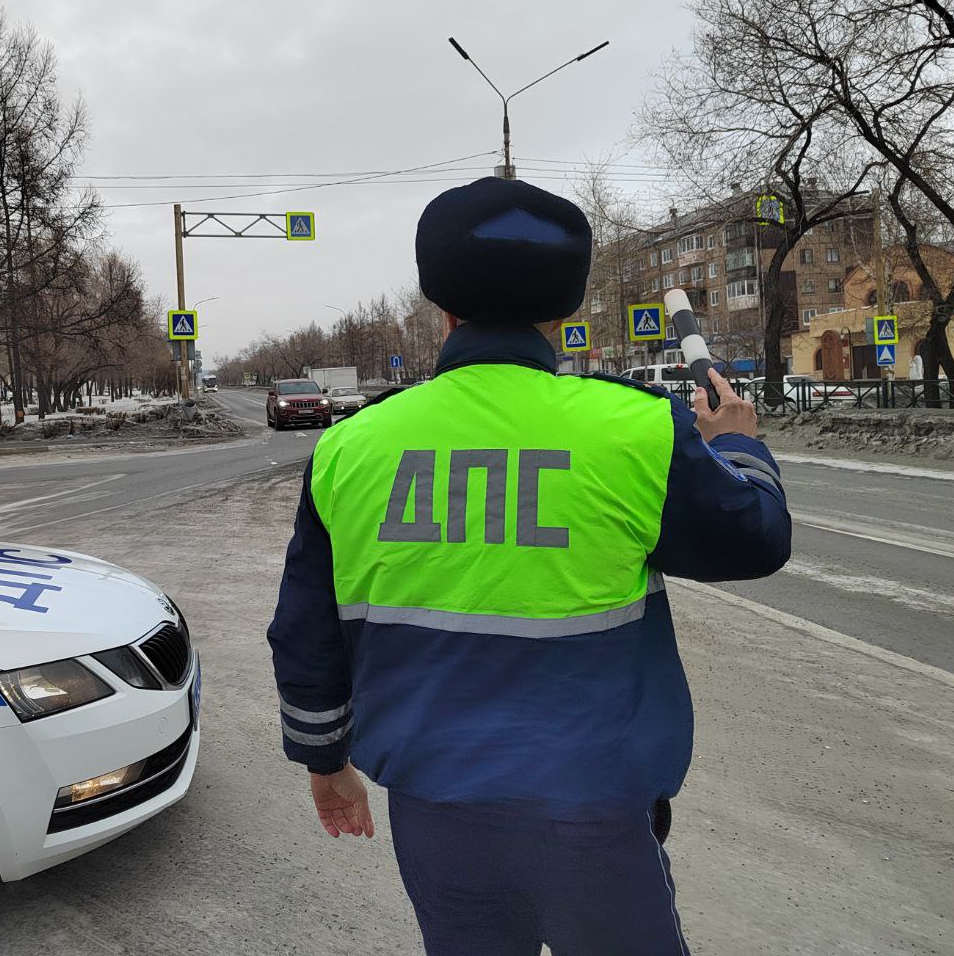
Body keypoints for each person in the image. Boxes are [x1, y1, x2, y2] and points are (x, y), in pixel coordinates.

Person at [266, 177, 792, 955]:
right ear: (563, 313)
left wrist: (324, 760)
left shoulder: (352, 445)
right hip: (595, 810)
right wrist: (738, 445)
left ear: (442, 306)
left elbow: (306, 631)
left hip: (437, 810)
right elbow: (755, 541)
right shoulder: (635, 427)